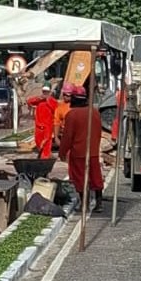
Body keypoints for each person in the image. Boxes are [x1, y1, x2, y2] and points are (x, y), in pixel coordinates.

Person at [58, 83, 103, 212]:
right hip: (93, 151)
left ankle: (85, 203)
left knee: (80, 179)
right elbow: (98, 133)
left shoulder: (72, 115)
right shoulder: (94, 113)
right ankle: (99, 203)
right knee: (95, 177)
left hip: (78, 153)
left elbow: (67, 137)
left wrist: (62, 152)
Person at [27, 83, 57, 159]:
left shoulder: (53, 101)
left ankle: (45, 157)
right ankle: (43, 155)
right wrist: (38, 98)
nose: (45, 93)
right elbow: (29, 101)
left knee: (46, 142)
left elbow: (56, 110)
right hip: (38, 126)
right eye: (44, 91)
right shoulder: (39, 100)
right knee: (38, 142)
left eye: (47, 92)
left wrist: (48, 100)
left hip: (47, 126)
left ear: (50, 92)